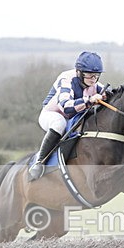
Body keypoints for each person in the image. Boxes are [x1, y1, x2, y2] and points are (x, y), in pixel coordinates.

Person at [28, 51, 108, 180]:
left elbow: (110, 94)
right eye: (90, 75)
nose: (94, 79)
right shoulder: (66, 78)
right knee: (60, 124)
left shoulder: (94, 83)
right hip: (53, 114)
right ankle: (40, 162)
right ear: (79, 72)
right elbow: (66, 106)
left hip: (73, 117)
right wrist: (89, 100)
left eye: (96, 75)